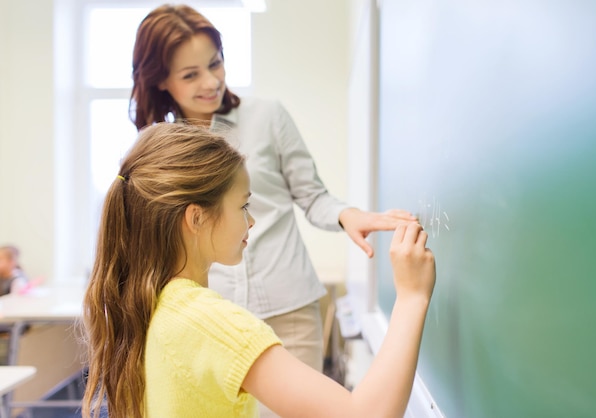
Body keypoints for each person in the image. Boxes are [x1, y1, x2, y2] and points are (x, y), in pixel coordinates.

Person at [129, 4, 418, 395]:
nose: (211, 81)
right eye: (191, 74)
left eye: (216, 64)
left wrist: (348, 215)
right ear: (161, 81)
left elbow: (313, 197)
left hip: (290, 313)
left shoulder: (267, 116)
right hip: (213, 320)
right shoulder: (160, 149)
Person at [80, 122, 435, 418]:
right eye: (243, 205)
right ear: (196, 217)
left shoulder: (153, 304)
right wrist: (412, 296)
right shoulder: (210, 323)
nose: (251, 220)